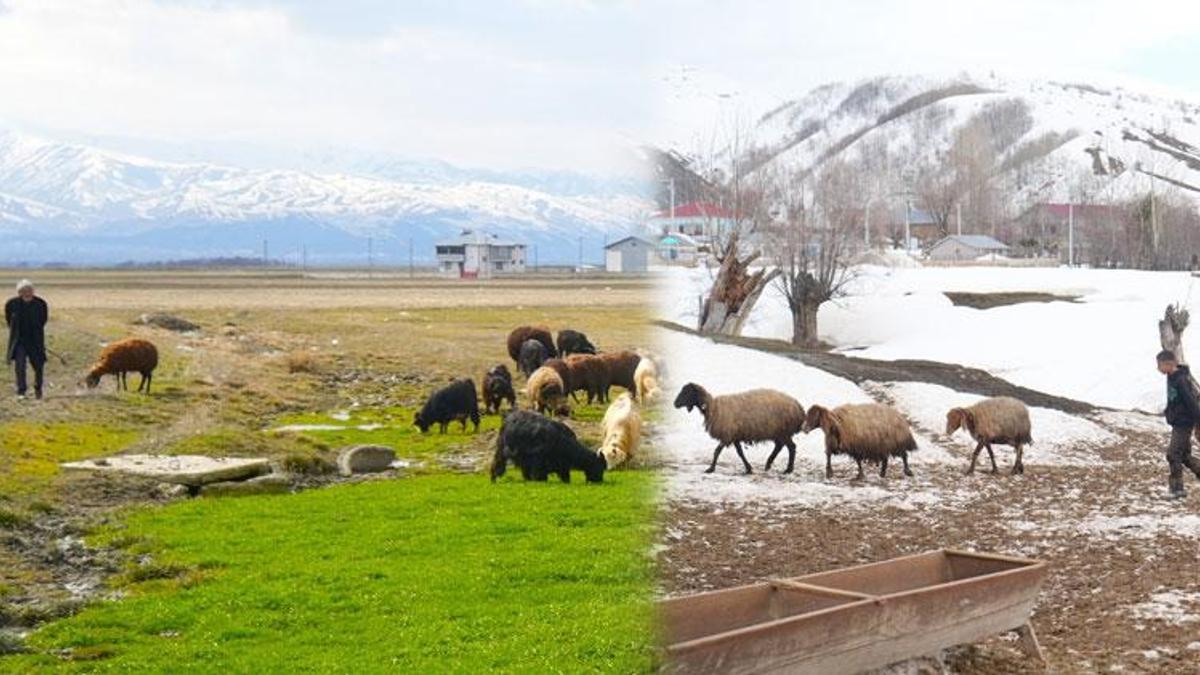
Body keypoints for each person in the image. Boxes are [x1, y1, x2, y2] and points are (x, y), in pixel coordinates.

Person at [1157, 350, 1200, 498]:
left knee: (1173, 454)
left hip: (1184, 423)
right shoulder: (1171, 376)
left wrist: (1197, 422)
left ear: (1169, 364)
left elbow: (1192, 403)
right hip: (1178, 421)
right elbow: (1174, 399)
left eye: (1160, 365)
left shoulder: (1181, 380)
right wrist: (1169, 411)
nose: (1158, 369)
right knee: (1184, 456)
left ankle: (1177, 489)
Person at [5, 279, 49, 399]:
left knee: (38, 365)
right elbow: (9, 320)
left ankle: (38, 388)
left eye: (29, 290)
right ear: (19, 292)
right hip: (19, 341)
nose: (27, 293)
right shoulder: (11, 304)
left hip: (36, 340)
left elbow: (43, 320)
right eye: (23, 291)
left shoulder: (41, 303)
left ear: (33, 291)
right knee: (19, 365)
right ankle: (21, 391)